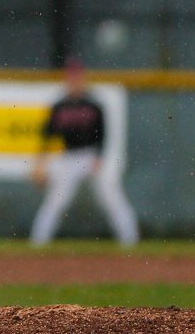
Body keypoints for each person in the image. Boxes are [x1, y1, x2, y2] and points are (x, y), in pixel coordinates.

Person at [29, 59, 139, 247]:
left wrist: (98, 157)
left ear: (83, 78)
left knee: (111, 197)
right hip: (69, 158)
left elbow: (102, 134)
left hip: (92, 155)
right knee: (57, 201)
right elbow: (47, 136)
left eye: (77, 76)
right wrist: (40, 162)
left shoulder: (93, 104)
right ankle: (37, 243)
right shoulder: (59, 106)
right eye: (71, 76)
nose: (74, 80)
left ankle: (130, 241)